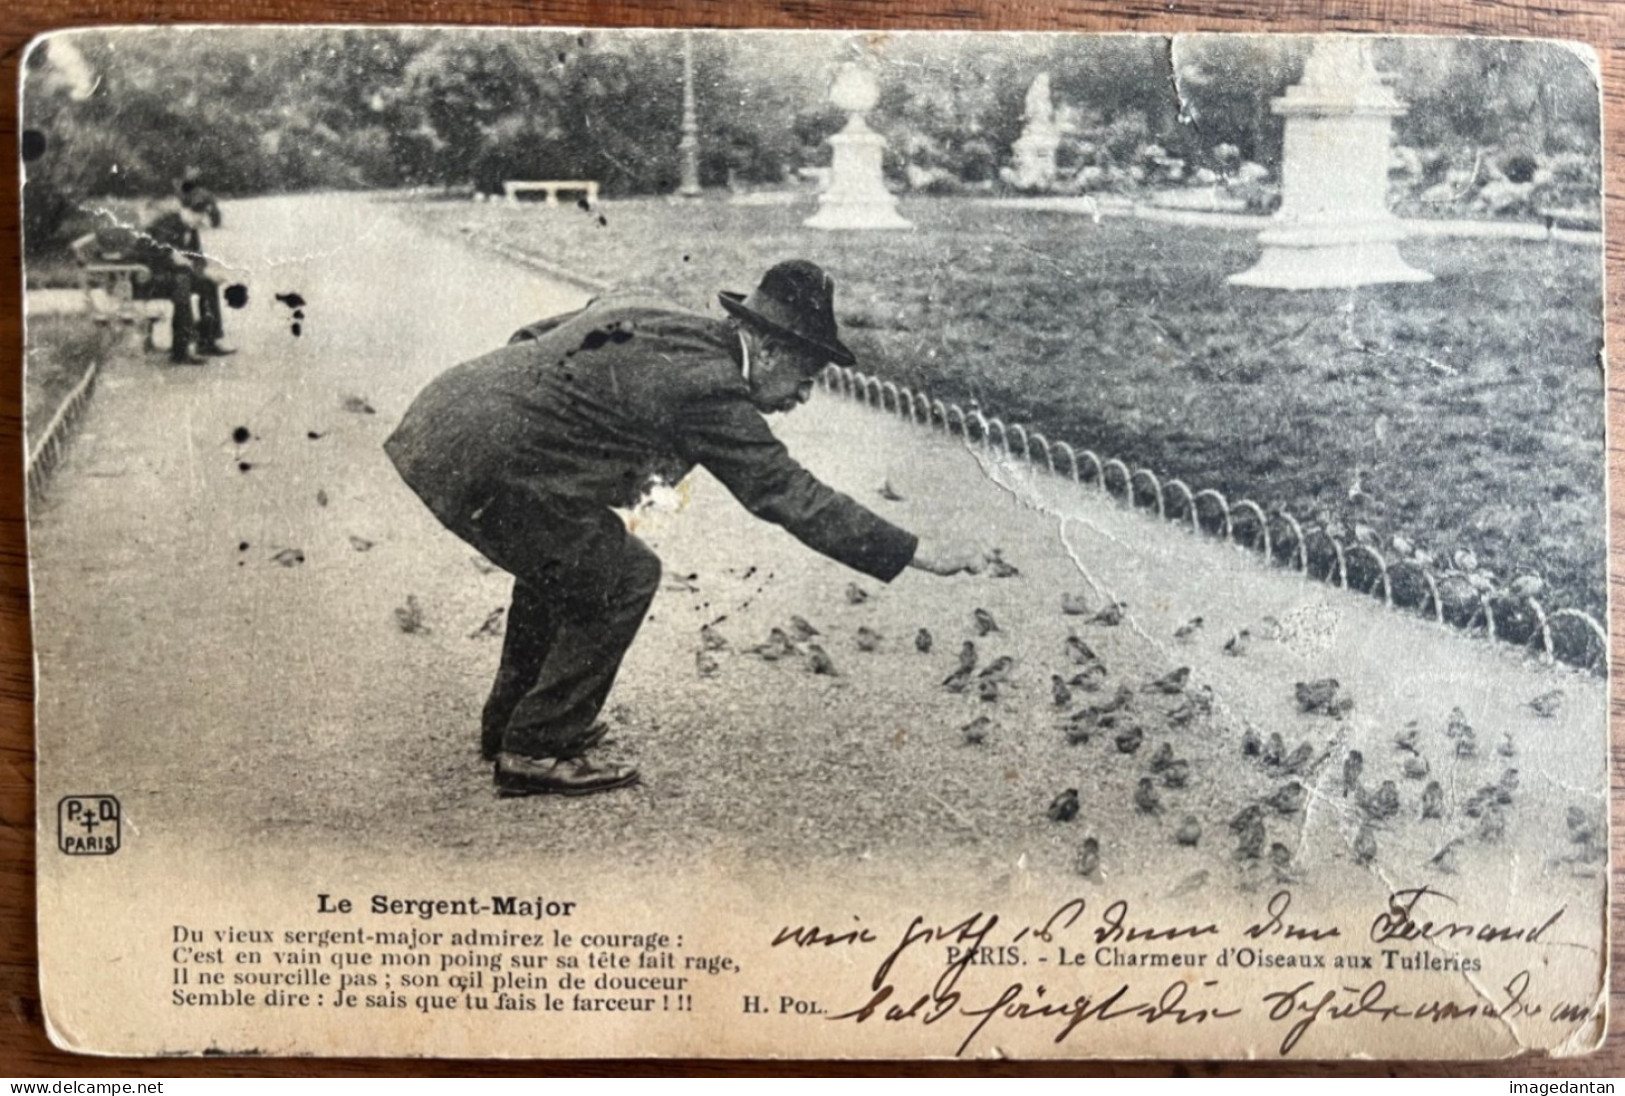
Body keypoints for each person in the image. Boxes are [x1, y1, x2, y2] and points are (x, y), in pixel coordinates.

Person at [385, 260, 984, 798]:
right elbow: (785, 492)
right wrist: (914, 552)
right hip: (488, 465)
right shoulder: (710, 385)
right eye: (807, 376)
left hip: (444, 418)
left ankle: (512, 727)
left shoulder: (655, 311)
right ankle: (536, 749)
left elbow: (533, 339)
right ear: (769, 351)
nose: (804, 396)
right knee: (624, 576)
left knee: (569, 561)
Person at [133, 190, 234, 365]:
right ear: (183, 209)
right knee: (182, 283)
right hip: (146, 277)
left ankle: (207, 341)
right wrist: (198, 270)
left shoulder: (190, 228)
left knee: (207, 284)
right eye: (195, 213)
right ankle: (180, 351)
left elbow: (196, 259)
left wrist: (207, 273)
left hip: (169, 274)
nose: (199, 218)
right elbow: (173, 258)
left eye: (202, 214)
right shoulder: (166, 225)